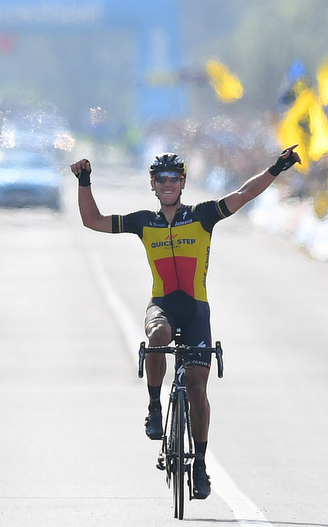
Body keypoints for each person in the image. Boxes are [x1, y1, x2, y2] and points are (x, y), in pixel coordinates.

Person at [70, 146, 300, 500]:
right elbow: (93, 221)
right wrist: (84, 181)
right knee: (158, 335)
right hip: (162, 305)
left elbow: (243, 194)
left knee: (196, 386)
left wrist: (277, 167)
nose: (167, 184)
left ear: (182, 183)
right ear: (152, 183)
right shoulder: (143, 221)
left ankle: (202, 464)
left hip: (196, 312)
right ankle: (154, 407)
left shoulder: (203, 215)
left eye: (173, 178)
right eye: (160, 179)